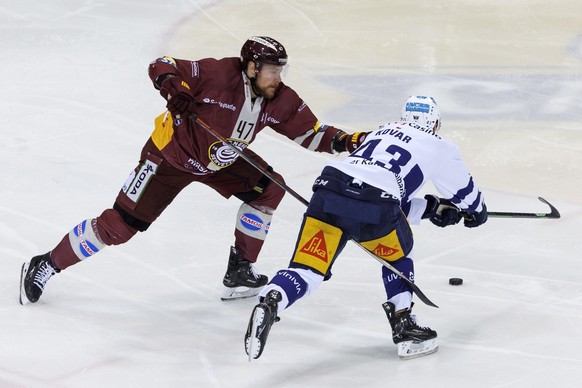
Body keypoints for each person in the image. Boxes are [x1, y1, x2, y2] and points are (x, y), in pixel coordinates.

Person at [19, 36, 366, 305]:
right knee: (120, 227)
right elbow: (163, 63)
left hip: (223, 161)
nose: (278, 78)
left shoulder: (279, 98)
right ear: (251, 68)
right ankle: (46, 263)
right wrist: (172, 85)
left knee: (270, 189)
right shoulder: (216, 74)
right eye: (273, 71)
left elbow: (312, 133)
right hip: (168, 159)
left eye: (280, 71)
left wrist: (349, 141)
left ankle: (240, 270)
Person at [244, 95, 488, 360]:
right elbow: (463, 193)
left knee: (307, 271)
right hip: (375, 207)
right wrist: (476, 212)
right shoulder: (440, 145)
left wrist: (432, 209)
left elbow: (382, 187)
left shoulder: (382, 131)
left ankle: (273, 299)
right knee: (399, 255)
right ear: (434, 122)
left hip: (330, 192)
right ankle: (403, 323)